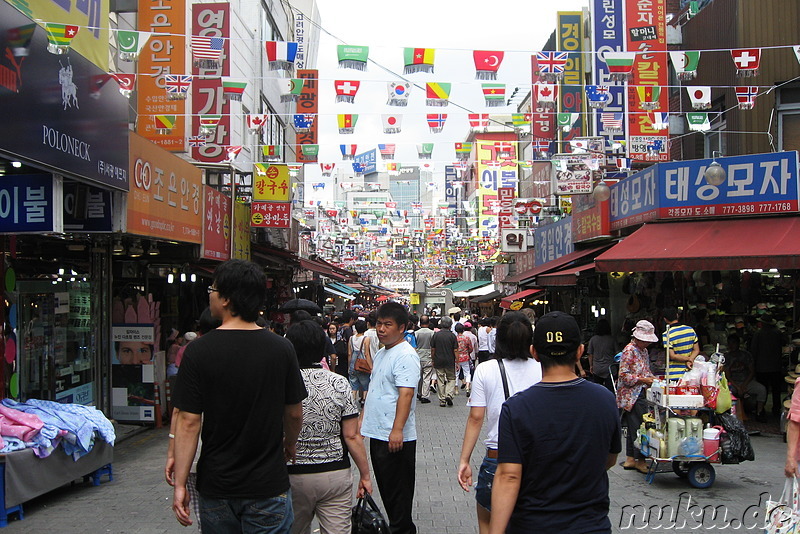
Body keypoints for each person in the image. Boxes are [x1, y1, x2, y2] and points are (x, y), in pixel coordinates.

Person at [171, 259, 307, 532]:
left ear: (226, 298)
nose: (210, 294)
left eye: (212, 288)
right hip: (268, 485)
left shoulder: (198, 351)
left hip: (218, 485)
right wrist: (289, 444)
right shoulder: (281, 348)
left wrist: (180, 483)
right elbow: (293, 411)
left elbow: (188, 422)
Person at [488, 311, 621, 534]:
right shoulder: (605, 399)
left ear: (534, 353)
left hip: (532, 525)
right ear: (580, 351)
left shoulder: (516, 408)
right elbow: (609, 459)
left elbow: (509, 476)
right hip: (590, 525)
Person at [457, 311, 542, 534]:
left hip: (498, 457)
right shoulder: (544, 369)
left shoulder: (485, 369)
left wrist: (464, 460)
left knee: (489, 525)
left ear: (499, 339)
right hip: (536, 459)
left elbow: (476, 418)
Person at [285, 320, 372, 534]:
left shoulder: (281, 380)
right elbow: (351, 436)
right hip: (334, 473)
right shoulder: (339, 383)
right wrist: (365, 475)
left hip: (291, 473)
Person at [360, 302, 420, 534]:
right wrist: (363, 419)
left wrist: (397, 430)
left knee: (398, 500)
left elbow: (406, 394)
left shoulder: (405, 355)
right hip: (379, 433)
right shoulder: (385, 352)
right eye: (378, 324)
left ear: (402, 327)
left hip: (394, 438)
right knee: (389, 494)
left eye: (388, 324)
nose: (381, 329)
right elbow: (377, 389)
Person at [617, 320, 658, 474]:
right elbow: (624, 375)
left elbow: (646, 371)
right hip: (632, 394)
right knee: (640, 427)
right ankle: (640, 460)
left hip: (640, 392)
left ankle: (630, 459)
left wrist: (653, 379)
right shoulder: (629, 350)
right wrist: (643, 380)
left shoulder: (643, 351)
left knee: (634, 425)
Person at [751, 314, 787, 417]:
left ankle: (761, 410)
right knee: (776, 390)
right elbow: (783, 343)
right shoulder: (777, 333)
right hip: (775, 365)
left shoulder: (758, 334)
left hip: (762, 366)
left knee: (763, 389)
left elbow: (754, 350)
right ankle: (776, 409)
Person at [724, 334, 767, 422]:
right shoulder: (726, 357)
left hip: (746, 381)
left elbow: (751, 372)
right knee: (725, 393)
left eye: (734, 343)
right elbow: (727, 375)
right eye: (729, 343)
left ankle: (759, 412)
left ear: (738, 343)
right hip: (733, 383)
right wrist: (737, 387)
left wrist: (744, 385)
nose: (731, 346)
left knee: (762, 389)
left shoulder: (746, 355)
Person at [663, 307, 700, 381]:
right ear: (677, 315)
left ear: (665, 319)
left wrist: (688, 359)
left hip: (673, 375)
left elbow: (672, 356)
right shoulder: (690, 330)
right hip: (690, 374)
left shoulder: (667, 334)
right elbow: (696, 350)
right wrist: (690, 359)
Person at [431, 316, 458, 407]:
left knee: (440, 380)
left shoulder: (436, 335)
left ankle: (442, 399)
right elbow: (455, 350)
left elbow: (433, 349)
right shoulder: (452, 336)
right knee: (451, 379)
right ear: (450, 325)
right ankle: (449, 394)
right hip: (450, 361)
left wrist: (433, 359)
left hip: (438, 360)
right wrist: (457, 361)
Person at [586, 318, 617, 393]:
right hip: (609, 368)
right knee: (610, 390)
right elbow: (617, 353)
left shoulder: (593, 339)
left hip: (597, 368)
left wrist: (591, 365)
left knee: (597, 390)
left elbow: (590, 354)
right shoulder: (612, 339)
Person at [348, 320, 371, 403]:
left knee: (353, 385)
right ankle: (364, 400)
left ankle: (352, 401)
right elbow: (367, 353)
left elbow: (349, 353)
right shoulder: (366, 338)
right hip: (362, 362)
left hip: (353, 363)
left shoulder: (351, 338)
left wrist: (349, 365)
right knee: (365, 383)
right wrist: (371, 366)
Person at [415, 315, 435, 404]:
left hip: (418, 356)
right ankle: (425, 395)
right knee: (427, 377)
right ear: (428, 322)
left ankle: (419, 393)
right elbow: (434, 346)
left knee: (419, 376)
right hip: (428, 356)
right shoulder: (432, 333)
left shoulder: (416, 333)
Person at [455, 323, 474, 395]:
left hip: (456, 358)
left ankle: (456, 389)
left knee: (456, 373)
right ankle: (467, 387)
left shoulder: (455, 338)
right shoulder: (466, 338)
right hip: (465, 357)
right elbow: (470, 348)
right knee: (467, 373)